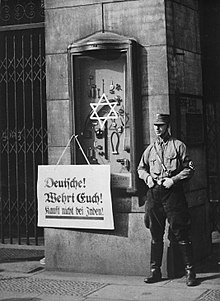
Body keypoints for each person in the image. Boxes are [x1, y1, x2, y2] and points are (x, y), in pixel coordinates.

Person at [137, 113, 197, 286]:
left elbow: (190, 169)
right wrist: (147, 177)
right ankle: (155, 271)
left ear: (167, 126)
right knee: (156, 234)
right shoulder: (150, 149)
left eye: (161, 125)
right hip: (154, 194)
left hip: (173, 194)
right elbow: (140, 168)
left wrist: (174, 179)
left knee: (181, 232)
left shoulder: (178, 146)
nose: (157, 128)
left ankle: (189, 272)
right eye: (156, 125)